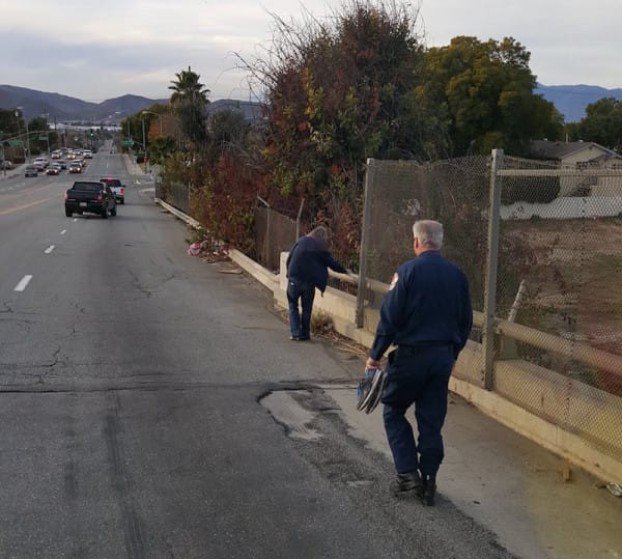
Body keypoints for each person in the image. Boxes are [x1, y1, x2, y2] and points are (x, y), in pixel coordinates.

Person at [366, 220, 472, 505]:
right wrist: (452, 354)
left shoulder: (407, 273)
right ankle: (429, 480)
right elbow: (466, 323)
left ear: (416, 242)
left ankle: (407, 473)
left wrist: (375, 355)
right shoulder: (458, 276)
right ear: (439, 243)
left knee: (393, 409)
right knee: (431, 420)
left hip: (411, 356)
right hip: (441, 359)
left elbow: (389, 319)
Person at [286, 225, 348, 341]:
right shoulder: (320, 248)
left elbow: (290, 257)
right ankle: (305, 334)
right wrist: (345, 271)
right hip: (309, 282)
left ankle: (295, 333)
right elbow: (332, 263)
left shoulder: (301, 241)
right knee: (307, 308)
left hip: (295, 279)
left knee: (293, 305)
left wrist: (289, 274)